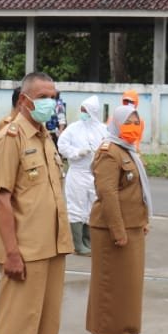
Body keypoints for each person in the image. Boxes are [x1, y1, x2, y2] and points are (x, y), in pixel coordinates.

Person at [0, 71, 74, 334]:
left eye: (53, 96)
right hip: (23, 248)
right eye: (43, 96)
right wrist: (11, 251)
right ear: (25, 100)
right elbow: (1, 199)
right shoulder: (10, 137)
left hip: (51, 245)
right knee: (18, 324)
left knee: (46, 322)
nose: (49, 102)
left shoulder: (44, 136)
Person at [86, 106, 151, 334]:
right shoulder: (109, 152)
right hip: (112, 228)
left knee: (129, 283)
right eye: (128, 122)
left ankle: (126, 325)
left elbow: (138, 191)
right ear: (116, 123)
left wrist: (143, 220)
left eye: (136, 122)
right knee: (111, 281)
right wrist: (118, 230)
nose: (132, 127)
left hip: (132, 225)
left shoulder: (129, 151)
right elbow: (108, 193)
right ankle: (110, 329)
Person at [59, 96, 109, 256]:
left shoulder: (102, 129)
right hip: (78, 173)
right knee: (76, 206)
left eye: (85, 111)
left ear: (93, 112)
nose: (83, 114)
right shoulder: (74, 128)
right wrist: (76, 152)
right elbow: (62, 145)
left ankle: (88, 241)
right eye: (82, 110)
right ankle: (77, 244)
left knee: (91, 208)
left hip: (95, 174)